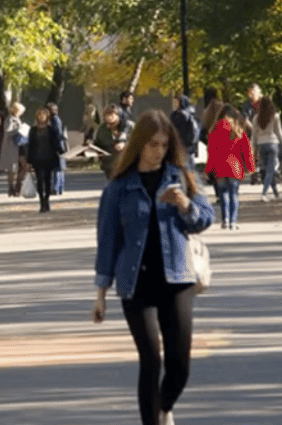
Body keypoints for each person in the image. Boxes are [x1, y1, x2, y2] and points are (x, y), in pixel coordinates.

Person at [93, 111, 215, 425]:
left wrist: (185, 205)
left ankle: (165, 405)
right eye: (152, 144)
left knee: (180, 365)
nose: (159, 151)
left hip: (177, 279)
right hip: (137, 284)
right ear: (139, 145)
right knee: (150, 360)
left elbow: (205, 217)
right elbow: (107, 241)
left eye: (163, 144)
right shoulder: (118, 188)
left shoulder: (180, 174)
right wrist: (100, 293)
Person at [207, 105, 254, 230]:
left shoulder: (214, 131)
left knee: (223, 194)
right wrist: (250, 167)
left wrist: (208, 168)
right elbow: (247, 151)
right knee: (234, 194)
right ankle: (233, 221)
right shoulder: (238, 131)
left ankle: (225, 220)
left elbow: (211, 152)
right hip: (235, 167)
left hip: (220, 167)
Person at [23, 106, 64, 212]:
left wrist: (63, 152)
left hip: (49, 158)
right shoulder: (33, 130)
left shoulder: (51, 129)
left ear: (47, 117)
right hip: (37, 159)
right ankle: (42, 202)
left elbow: (57, 143)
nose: (41, 117)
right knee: (40, 181)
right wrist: (28, 161)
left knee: (47, 181)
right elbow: (30, 146)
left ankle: (47, 200)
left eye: (43, 115)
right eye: (39, 115)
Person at [251, 96, 282, 201]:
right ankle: (264, 194)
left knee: (268, 170)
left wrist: (253, 148)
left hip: (261, 145)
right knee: (270, 171)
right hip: (273, 144)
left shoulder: (256, 118)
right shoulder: (275, 116)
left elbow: (254, 135)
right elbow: (279, 132)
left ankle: (276, 192)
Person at [91, 104, 130, 178]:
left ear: (118, 115)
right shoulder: (102, 129)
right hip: (108, 164)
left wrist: (124, 144)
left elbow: (137, 142)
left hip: (125, 163)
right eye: (106, 115)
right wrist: (91, 145)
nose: (109, 118)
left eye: (111, 115)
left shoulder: (127, 126)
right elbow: (98, 143)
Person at [1, 102, 29, 196]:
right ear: (17, 111)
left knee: (23, 167)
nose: (22, 113)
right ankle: (11, 188)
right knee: (12, 169)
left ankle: (18, 186)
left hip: (20, 146)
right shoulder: (10, 119)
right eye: (21, 111)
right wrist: (19, 130)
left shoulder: (16, 118)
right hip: (12, 147)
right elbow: (8, 131)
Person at [48, 102, 68, 195]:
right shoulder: (56, 119)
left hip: (57, 147)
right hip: (59, 146)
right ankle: (60, 188)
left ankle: (56, 188)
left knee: (57, 168)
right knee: (59, 168)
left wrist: (59, 148)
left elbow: (58, 134)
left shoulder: (54, 120)